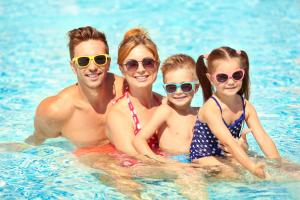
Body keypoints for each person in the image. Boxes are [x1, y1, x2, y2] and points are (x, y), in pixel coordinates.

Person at [25, 26, 124, 152]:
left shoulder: (129, 92)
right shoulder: (55, 111)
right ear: (73, 66)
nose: (93, 67)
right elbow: (34, 144)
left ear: (108, 62)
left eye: (100, 59)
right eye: (83, 61)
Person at [190, 46, 281, 178]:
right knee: (237, 174)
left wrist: (279, 164)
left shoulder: (246, 106)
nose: (231, 81)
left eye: (237, 75)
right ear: (210, 79)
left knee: (288, 168)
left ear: (243, 73)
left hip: (229, 155)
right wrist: (252, 168)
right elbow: (229, 142)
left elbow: (263, 138)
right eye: (222, 77)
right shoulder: (211, 108)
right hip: (204, 158)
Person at [133, 54, 199, 163]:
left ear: (196, 88)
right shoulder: (166, 111)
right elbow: (139, 139)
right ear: (165, 89)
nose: (178, 92)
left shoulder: (200, 113)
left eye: (185, 86)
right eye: (171, 87)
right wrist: (156, 159)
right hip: (171, 161)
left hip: (194, 161)